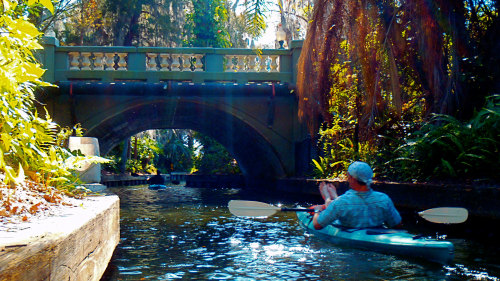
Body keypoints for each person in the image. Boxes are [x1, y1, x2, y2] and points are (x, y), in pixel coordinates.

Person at [312, 161, 401, 230]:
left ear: (351, 178)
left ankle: (328, 199)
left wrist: (317, 211)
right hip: (376, 234)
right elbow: (397, 224)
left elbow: (317, 225)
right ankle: (330, 198)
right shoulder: (384, 199)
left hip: (350, 234)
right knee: (339, 205)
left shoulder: (341, 202)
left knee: (338, 205)